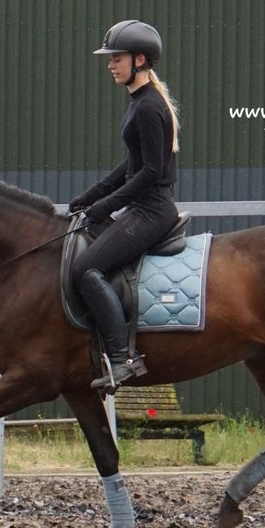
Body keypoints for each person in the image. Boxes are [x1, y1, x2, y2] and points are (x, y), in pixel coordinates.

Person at [69, 19, 182, 391]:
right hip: (142, 207)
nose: (110, 65)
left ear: (140, 59)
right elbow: (130, 165)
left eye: (116, 58)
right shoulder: (141, 102)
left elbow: (150, 172)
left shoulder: (149, 107)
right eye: (110, 59)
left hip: (152, 211)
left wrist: (103, 208)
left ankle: (123, 360)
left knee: (87, 269)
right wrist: (90, 197)